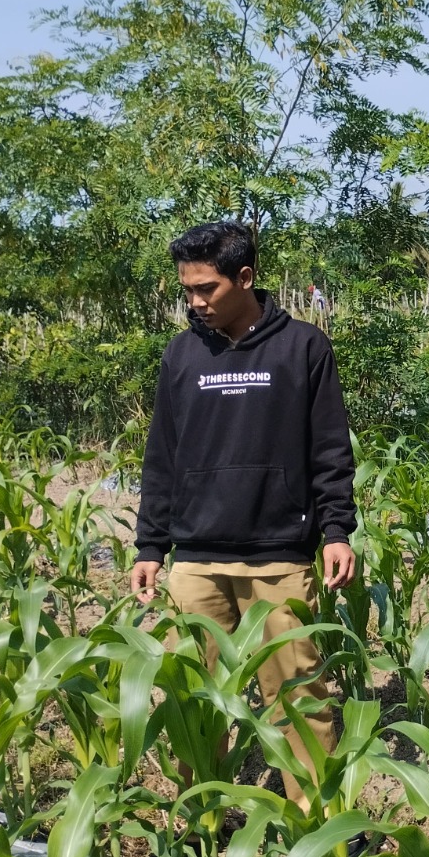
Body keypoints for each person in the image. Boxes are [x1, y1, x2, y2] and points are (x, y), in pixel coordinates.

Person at [131, 220, 357, 812]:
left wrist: (336, 531)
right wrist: (150, 547)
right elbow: (163, 456)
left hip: (279, 557)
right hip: (196, 562)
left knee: (299, 700)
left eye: (206, 289)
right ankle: (198, 824)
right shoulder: (181, 355)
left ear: (245, 277)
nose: (195, 302)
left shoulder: (303, 348)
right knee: (195, 701)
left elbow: (330, 450)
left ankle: (319, 829)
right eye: (187, 290)